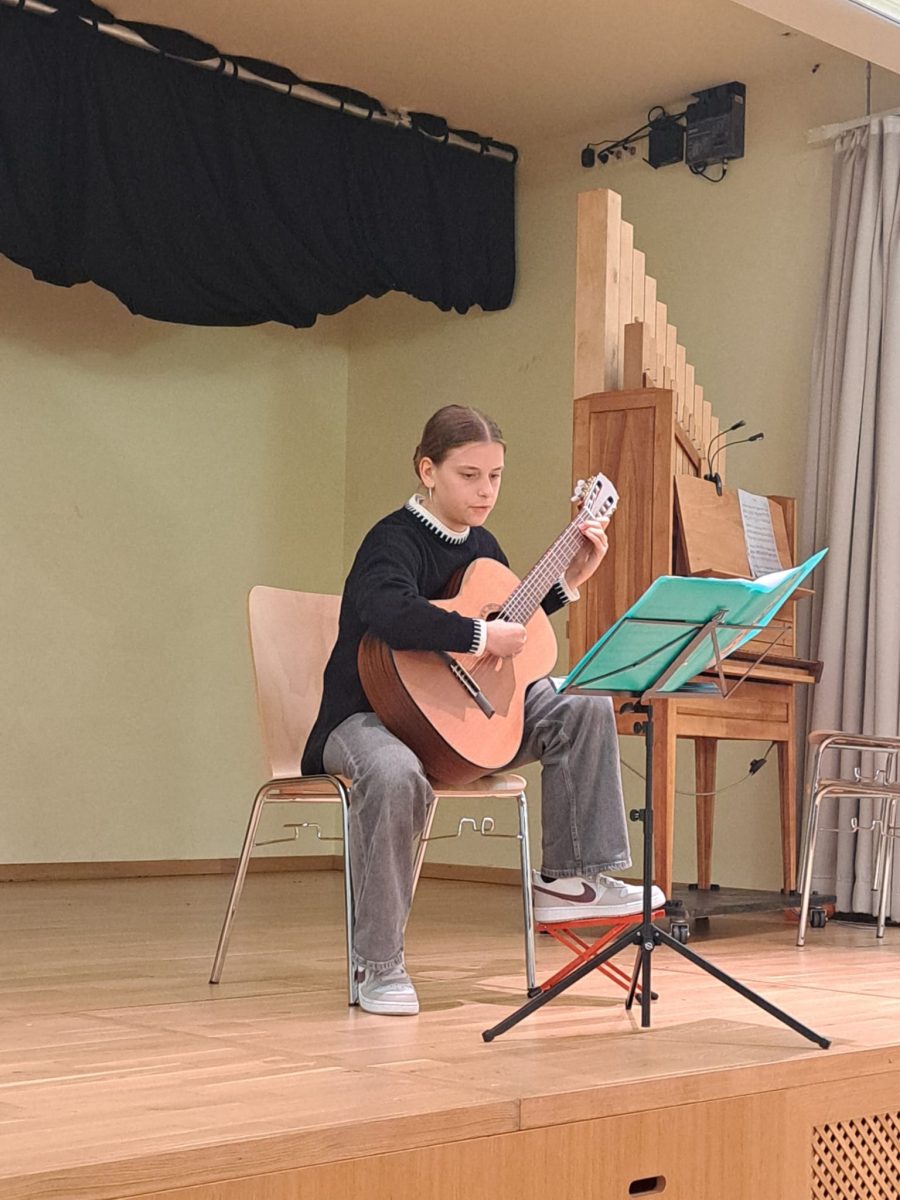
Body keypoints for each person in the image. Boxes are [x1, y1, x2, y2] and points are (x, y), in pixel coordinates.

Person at [302, 404, 664, 1016]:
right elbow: (389, 611)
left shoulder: (485, 547)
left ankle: (573, 880)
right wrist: (478, 635)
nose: (485, 491)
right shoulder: (392, 539)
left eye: (495, 476)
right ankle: (377, 964)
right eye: (469, 475)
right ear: (428, 471)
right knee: (393, 773)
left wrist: (568, 582)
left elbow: (507, 624)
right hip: (368, 717)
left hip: (455, 725)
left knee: (581, 704)